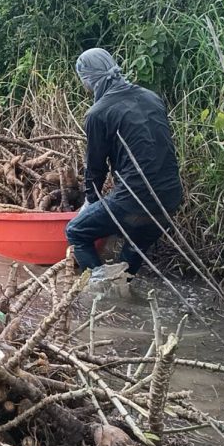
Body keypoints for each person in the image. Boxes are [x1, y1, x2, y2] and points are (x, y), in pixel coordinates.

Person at [64, 48, 183, 280]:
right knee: (131, 254)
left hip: (135, 199)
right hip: (170, 197)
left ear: (89, 79)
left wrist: (90, 203)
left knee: (76, 231)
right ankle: (120, 293)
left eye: (84, 82)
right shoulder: (152, 98)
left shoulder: (98, 113)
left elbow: (95, 168)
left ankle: (99, 290)